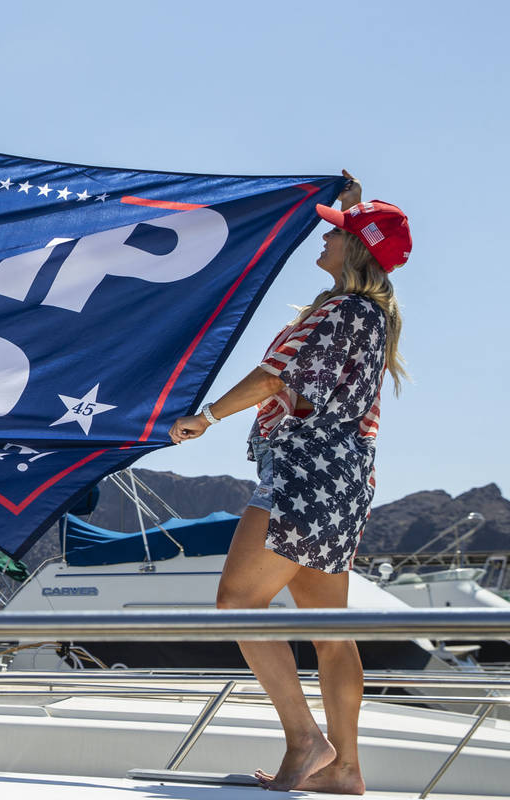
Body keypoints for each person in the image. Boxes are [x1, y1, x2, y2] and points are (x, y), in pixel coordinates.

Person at [167, 170, 410, 795]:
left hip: (305, 473)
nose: (320, 243)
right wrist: (354, 209)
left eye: (336, 236)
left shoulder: (342, 311)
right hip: (345, 479)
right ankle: (347, 770)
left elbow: (279, 378)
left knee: (236, 605)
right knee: (330, 633)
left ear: (357, 252)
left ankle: (307, 741)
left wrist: (208, 416)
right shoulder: (368, 314)